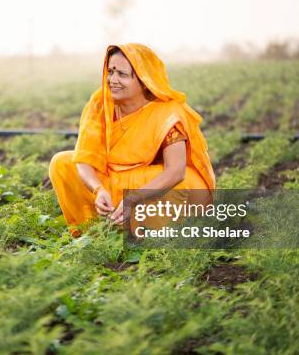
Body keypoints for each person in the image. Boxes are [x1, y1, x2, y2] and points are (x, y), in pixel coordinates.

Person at [49, 43, 215, 236]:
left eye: (122, 74)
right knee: (61, 163)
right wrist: (98, 189)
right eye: (110, 71)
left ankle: (145, 229)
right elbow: (84, 160)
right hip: (112, 182)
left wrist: (133, 199)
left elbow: (175, 171)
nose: (113, 80)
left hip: (146, 186)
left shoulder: (167, 112)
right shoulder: (99, 104)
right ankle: (97, 229)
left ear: (145, 80)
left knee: (187, 181)